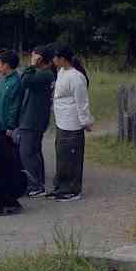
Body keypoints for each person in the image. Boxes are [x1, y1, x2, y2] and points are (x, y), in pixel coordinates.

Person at [49, 46, 93, 201]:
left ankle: (73, 189)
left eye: (55, 57)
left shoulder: (76, 77)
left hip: (72, 122)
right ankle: (60, 185)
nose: (53, 61)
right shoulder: (61, 73)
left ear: (62, 59)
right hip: (61, 121)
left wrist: (85, 121)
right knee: (61, 155)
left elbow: (82, 102)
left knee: (71, 157)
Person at [15, 45, 57, 198]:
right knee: (33, 151)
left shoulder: (45, 75)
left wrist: (31, 65)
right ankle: (36, 182)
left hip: (33, 119)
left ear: (40, 58)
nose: (31, 59)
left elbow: (24, 81)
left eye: (33, 56)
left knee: (27, 152)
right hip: (32, 117)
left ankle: (35, 185)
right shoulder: (43, 74)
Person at [0, 50, 22, 133]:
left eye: (0, 63)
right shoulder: (4, 79)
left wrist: (10, 126)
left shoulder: (15, 82)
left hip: (5, 127)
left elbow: (14, 106)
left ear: (6, 65)